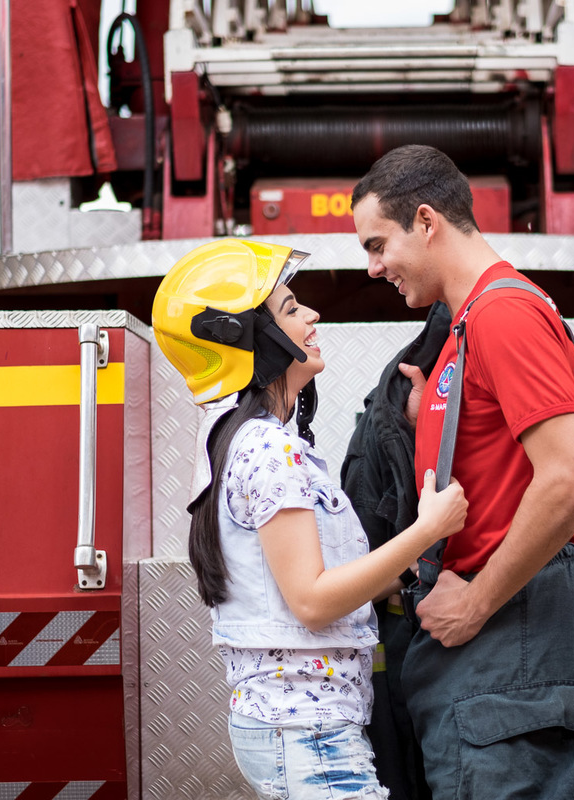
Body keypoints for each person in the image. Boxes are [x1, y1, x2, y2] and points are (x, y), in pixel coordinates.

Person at [151, 238, 468, 800]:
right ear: (244, 336)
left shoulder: (239, 439)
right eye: (291, 308)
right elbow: (314, 600)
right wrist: (428, 529)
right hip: (308, 732)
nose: (312, 315)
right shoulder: (272, 451)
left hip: (292, 723)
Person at [351, 145, 574, 799]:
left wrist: (477, 600)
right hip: (493, 661)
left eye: (379, 245)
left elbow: (571, 476)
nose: (374, 268)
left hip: (510, 642)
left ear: (427, 221)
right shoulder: (466, 328)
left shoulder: (504, 315)